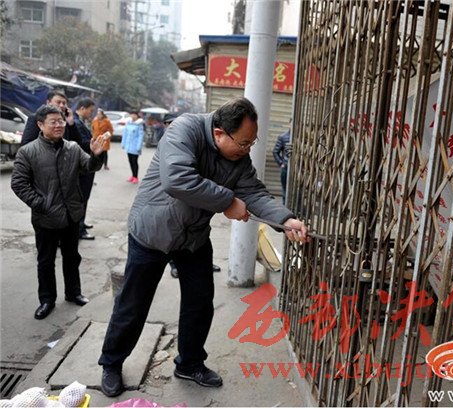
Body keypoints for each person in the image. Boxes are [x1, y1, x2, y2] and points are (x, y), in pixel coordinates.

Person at [98, 97, 310, 398]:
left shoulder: (238, 159)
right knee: (133, 303)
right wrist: (228, 201)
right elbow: (177, 179)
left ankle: (190, 363)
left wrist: (286, 220)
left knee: (199, 302)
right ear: (219, 133)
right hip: (153, 231)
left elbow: (254, 193)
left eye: (252, 142)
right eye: (243, 143)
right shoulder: (185, 130)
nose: (247, 149)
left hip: (193, 237)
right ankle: (111, 363)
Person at [11, 105, 108, 320]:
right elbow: (18, 184)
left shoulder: (72, 148)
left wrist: (96, 155)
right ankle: (47, 300)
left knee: (72, 257)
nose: (59, 125)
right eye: (53, 122)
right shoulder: (28, 151)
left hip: (71, 215)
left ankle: (73, 293)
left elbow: (89, 167)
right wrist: (41, 204)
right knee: (46, 261)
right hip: (45, 218)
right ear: (40, 125)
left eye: (61, 121)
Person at [161, 113, 221, 279]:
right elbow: (175, 179)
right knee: (171, 236)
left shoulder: (189, 137)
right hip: (171, 203)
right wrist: (228, 201)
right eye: (168, 123)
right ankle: (174, 265)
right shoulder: (168, 140)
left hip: (196, 204)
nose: (171, 125)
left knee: (198, 237)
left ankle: (203, 264)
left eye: (173, 122)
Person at [73, 98, 98, 240]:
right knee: (81, 198)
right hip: (82, 167)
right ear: (82, 108)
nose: (91, 113)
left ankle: (81, 223)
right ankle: (79, 229)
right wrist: (94, 142)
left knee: (84, 197)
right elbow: (80, 143)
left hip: (85, 165)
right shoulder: (76, 123)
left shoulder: (80, 122)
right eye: (90, 110)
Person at [121, 111, 144, 184]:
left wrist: (138, 147)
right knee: (130, 161)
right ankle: (133, 176)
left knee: (134, 162)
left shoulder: (139, 125)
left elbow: (140, 136)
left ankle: (136, 177)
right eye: (132, 114)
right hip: (128, 146)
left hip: (135, 147)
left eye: (135, 115)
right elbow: (125, 134)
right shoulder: (128, 123)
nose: (133, 116)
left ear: (137, 116)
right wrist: (123, 143)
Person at [272, 120, 291, 204]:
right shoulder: (283, 137)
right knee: (286, 191)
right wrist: (281, 163)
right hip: (286, 168)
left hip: (299, 169)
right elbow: (275, 152)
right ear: (289, 124)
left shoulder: (302, 137)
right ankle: (285, 208)